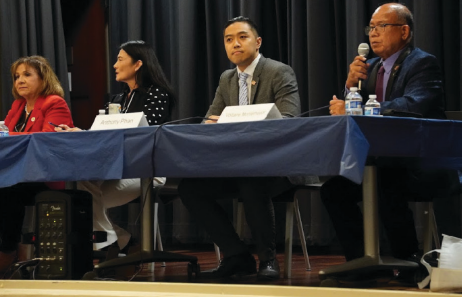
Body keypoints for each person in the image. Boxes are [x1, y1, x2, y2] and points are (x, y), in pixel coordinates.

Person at [324, 3, 456, 262]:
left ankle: (406, 258)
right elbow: (352, 111)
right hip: (381, 161)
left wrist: (358, 108)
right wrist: (349, 86)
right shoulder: (369, 67)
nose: (373, 34)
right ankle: (360, 261)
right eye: (371, 27)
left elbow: (413, 105)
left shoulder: (422, 63)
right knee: (334, 190)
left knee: (385, 181)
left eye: (382, 26)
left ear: (404, 31)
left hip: (423, 163)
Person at [177, 16, 301, 280]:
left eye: (242, 37)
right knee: (190, 188)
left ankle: (268, 259)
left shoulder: (278, 71)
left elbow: (290, 121)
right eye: (229, 39)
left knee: (251, 180)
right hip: (234, 164)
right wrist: (213, 124)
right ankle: (237, 255)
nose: (235, 44)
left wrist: (239, 123)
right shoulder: (227, 79)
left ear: (257, 42)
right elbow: (208, 121)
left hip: (276, 164)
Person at [56, 40, 175, 251]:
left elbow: (146, 134)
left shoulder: (157, 94)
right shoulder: (118, 99)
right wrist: (81, 133)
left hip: (146, 170)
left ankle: (114, 243)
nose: (114, 65)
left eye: (120, 60)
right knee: (81, 187)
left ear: (138, 64)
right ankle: (117, 241)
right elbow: (103, 135)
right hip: (116, 168)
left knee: (86, 201)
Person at [0, 55, 73, 278]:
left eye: (27, 75)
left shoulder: (54, 103)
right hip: (17, 174)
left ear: (43, 78)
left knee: (3, 189)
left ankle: (9, 249)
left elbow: (49, 141)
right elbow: (4, 137)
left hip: (44, 176)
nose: (20, 80)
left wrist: (7, 136)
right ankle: (13, 247)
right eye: (16, 76)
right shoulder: (18, 105)